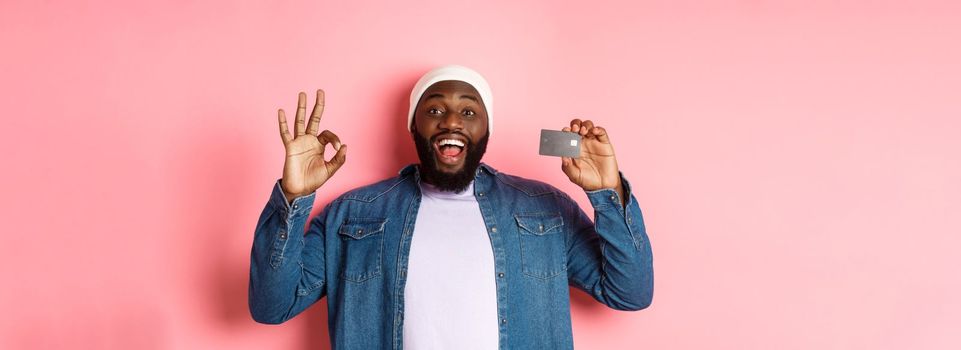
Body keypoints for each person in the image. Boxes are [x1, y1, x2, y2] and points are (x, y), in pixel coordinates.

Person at [248, 65, 654, 349]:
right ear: (414, 126)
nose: (452, 121)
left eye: (469, 111)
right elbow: (272, 306)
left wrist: (607, 192)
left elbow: (630, 292)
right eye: (435, 110)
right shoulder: (351, 214)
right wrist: (293, 197)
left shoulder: (545, 209)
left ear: (486, 129)